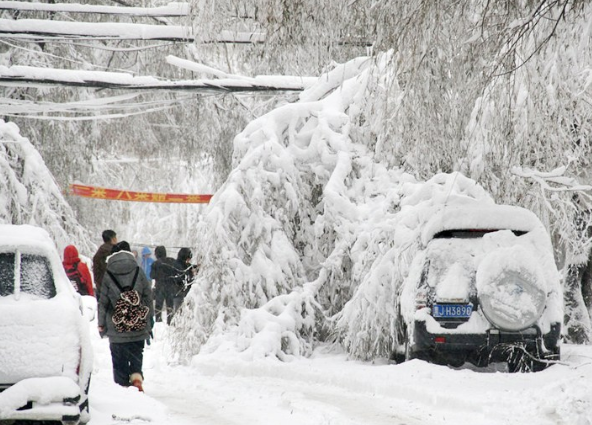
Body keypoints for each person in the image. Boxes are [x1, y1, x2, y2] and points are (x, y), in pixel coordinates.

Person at [97, 241, 153, 392]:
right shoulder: (138, 271)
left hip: (116, 329)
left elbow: (103, 302)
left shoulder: (108, 274)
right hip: (137, 326)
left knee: (119, 361)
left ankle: (122, 389)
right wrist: (149, 321)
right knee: (136, 356)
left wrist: (101, 324)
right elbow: (148, 297)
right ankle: (136, 379)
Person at [150, 246, 177, 324]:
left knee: (158, 305)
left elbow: (152, 275)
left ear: (157, 254)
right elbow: (176, 272)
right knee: (170, 305)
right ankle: (170, 321)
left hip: (160, 287)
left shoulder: (155, 264)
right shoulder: (172, 261)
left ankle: (158, 320)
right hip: (171, 286)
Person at [171, 247, 198, 317]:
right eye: (188, 258)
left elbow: (191, 267)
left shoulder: (184, 264)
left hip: (184, 293)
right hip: (179, 293)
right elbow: (181, 278)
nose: (189, 260)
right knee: (178, 314)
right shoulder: (178, 265)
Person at [92, 230, 117, 296]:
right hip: (112, 288)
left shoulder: (99, 251)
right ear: (112, 238)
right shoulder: (113, 252)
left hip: (101, 287)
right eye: (115, 237)